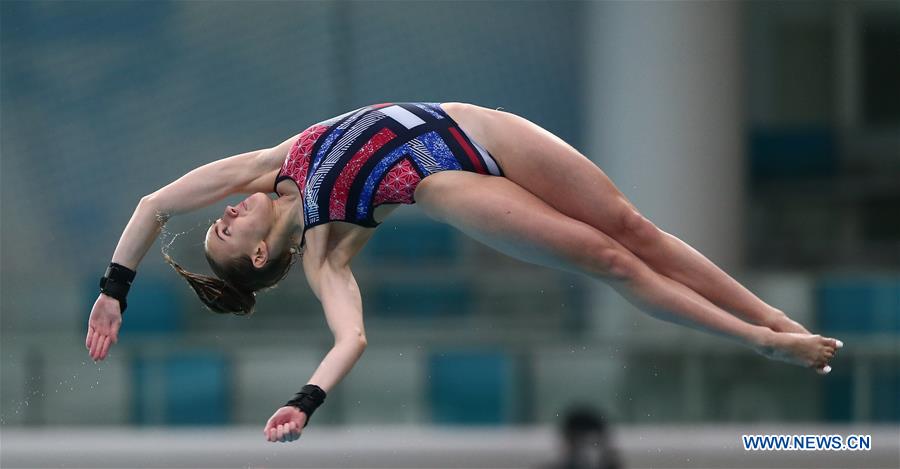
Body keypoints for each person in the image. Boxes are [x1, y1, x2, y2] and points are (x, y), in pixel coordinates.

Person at [86, 102, 842, 443]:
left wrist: (114, 288)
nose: (223, 212)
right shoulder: (321, 250)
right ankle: (759, 340)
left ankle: (777, 318)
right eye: (225, 231)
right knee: (610, 260)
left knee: (634, 228)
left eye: (219, 216)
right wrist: (304, 401)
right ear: (259, 256)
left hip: (472, 124)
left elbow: (155, 204)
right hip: (447, 181)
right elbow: (351, 338)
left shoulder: (271, 161)